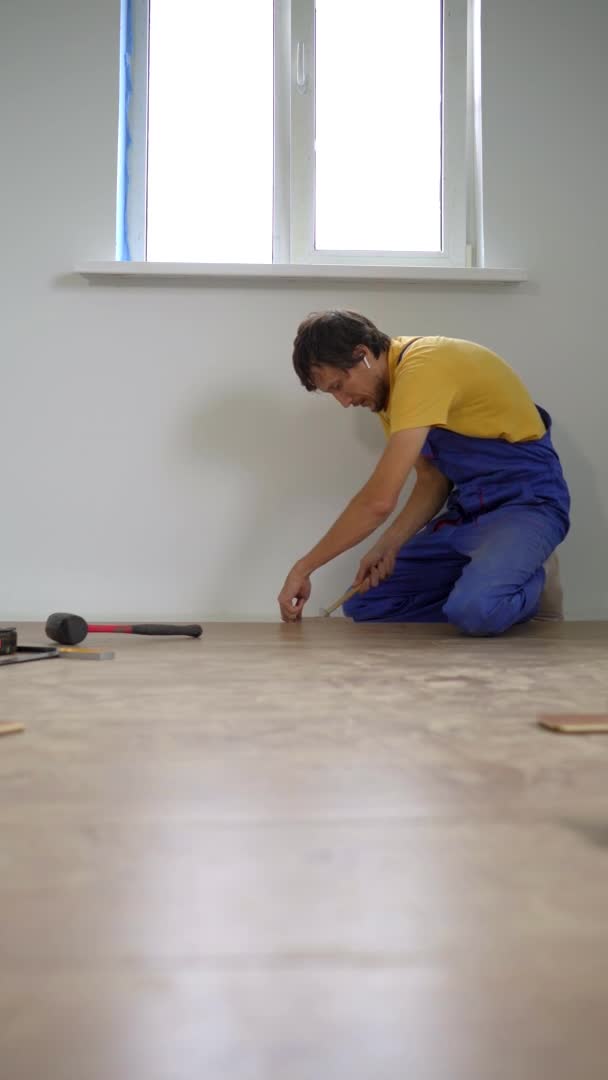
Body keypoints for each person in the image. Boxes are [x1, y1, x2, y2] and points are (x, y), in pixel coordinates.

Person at [277, 310, 570, 635]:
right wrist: (388, 544)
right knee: (367, 604)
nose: (344, 402)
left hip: (527, 504)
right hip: (470, 512)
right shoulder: (389, 394)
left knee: (476, 611)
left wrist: (303, 568)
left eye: (339, 386)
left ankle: (522, 578)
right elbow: (431, 481)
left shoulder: (423, 368)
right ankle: (487, 585)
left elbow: (378, 502)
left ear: (362, 355)